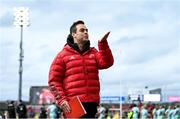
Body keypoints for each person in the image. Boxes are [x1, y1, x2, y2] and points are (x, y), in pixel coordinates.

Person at [48, 20, 114, 118]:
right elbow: (53, 81)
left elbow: (107, 63)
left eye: (87, 30)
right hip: (73, 106)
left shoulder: (93, 52)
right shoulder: (62, 55)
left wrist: (102, 44)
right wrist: (62, 100)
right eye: (82, 30)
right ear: (74, 34)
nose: (86, 32)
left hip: (92, 104)